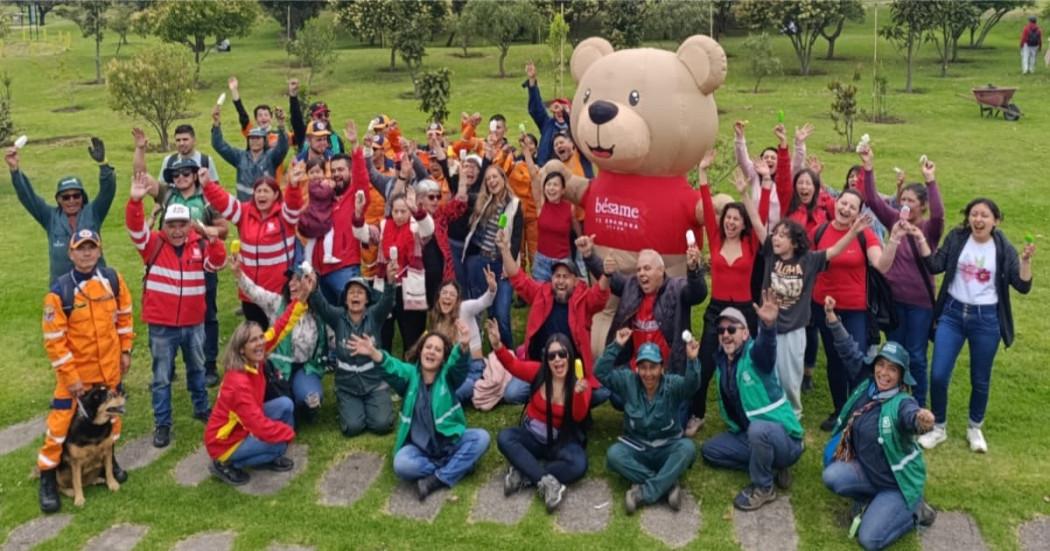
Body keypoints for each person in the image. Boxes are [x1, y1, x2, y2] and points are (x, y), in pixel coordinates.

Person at [915, 198, 1034, 452]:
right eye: (974, 214)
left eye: (985, 215)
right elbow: (935, 266)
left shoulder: (1002, 247)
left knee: (980, 378)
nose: (978, 220)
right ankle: (939, 427)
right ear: (968, 218)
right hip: (953, 314)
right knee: (938, 374)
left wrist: (1025, 261)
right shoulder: (958, 238)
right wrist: (920, 239)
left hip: (986, 319)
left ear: (995, 221)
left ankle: (974, 428)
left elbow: (1022, 286)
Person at [822, 296, 937, 550]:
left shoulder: (902, 402)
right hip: (869, 471)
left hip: (896, 484)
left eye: (892, 370)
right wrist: (832, 318)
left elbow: (911, 418)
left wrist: (921, 420)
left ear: (901, 376)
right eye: (881, 366)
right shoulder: (868, 382)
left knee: (869, 539)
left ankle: (915, 509)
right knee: (832, 475)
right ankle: (870, 499)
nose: (884, 373)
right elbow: (849, 350)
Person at [126, 175, 226, 449]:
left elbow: (217, 263)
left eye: (182, 224)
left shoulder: (199, 244)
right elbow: (135, 228)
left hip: (194, 323)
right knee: (161, 378)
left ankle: (201, 407)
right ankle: (162, 423)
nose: (178, 230)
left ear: (189, 225)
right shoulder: (153, 244)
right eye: (172, 225)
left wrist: (211, 239)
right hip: (162, 325)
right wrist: (135, 201)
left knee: (196, 369)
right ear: (165, 225)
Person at [37, 229, 133, 513]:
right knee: (58, 427)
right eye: (81, 248)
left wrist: (125, 350)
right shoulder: (59, 293)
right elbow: (55, 343)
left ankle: (108, 460)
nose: (87, 253)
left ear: (99, 251)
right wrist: (72, 378)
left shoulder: (113, 281)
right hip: (76, 377)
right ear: (70, 253)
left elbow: (125, 317)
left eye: (92, 247)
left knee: (112, 419)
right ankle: (48, 477)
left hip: (109, 372)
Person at [349, 321, 490, 501]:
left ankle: (437, 479)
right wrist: (374, 353)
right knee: (401, 463)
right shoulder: (410, 375)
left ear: (443, 358)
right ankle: (457, 466)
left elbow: (458, 365)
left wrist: (463, 345)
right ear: (420, 351)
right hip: (421, 450)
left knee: (482, 437)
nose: (431, 351)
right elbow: (393, 368)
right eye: (428, 347)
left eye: (438, 350)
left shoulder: (448, 377)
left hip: (450, 444)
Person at [700, 291, 803, 511]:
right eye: (721, 330)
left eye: (732, 329)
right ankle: (771, 466)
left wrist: (768, 326)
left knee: (758, 430)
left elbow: (767, 350)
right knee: (710, 451)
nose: (725, 334)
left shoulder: (756, 357)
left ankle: (765, 486)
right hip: (748, 435)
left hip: (784, 438)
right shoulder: (721, 362)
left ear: (746, 333)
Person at [857, 149, 944, 407]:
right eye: (902, 198)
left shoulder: (929, 228)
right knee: (893, 352)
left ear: (922, 206)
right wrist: (868, 168)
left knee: (916, 354)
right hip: (893, 302)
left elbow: (939, 215)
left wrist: (930, 180)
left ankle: (916, 405)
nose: (904, 202)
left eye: (911, 200)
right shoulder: (894, 219)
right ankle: (892, 401)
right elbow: (872, 199)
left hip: (920, 304)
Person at [141, 149, 228, 388]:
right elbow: (142, 178)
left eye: (186, 173)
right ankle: (166, 368)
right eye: (176, 174)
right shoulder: (168, 195)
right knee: (167, 314)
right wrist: (140, 149)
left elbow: (224, 229)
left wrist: (204, 231)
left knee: (206, 314)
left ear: (195, 175)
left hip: (201, 258)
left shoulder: (208, 199)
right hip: (170, 258)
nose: (181, 177)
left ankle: (208, 365)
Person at [811, 190, 897, 430]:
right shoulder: (819, 231)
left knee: (855, 361)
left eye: (852, 207)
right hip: (823, 307)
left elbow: (881, 265)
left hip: (854, 310)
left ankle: (858, 410)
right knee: (834, 361)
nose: (846, 209)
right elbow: (807, 262)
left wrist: (894, 240)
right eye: (843, 203)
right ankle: (840, 411)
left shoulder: (865, 234)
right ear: (836, 203)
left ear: (858, 213)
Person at [690, 151, 762, 436]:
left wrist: (747, 194)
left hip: (745, 310)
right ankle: (697, 414)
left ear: (744, 224)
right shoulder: (716, 238)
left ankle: (750, 416)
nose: (731, 222)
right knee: (705, 363)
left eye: (736, 219)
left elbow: (760, 214)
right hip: (717, 309)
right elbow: (707, 207)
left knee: (749, 367)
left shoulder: (752, 244)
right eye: (728, 218)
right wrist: (703, 172)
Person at [204, 292, 307, 486]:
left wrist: (300, 301)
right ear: (241, 348)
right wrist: (287, 434)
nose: (260, 343)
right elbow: (258, 426)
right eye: (254, 340)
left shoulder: (253, 356)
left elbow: (279, 329)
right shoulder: (237, 383)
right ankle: (223, 462)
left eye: (261, 338)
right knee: (278, 445)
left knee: (285, 405)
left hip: (244, 425)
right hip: (224, 442)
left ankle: (265, 452)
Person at [597, 327, 700, 515]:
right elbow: (600, 373)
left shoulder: (672, 384)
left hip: (667, 448)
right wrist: (617, 345)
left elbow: (691, 386)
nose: (648, 373)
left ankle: (644, 493)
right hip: (637, 448)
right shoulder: (628, 381)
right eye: (643, 367)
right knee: (614, 455)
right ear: (636, 368)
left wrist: (692, 360)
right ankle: (667, 485)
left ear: (662, 368)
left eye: (653, 367)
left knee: (687, 448)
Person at [491, 321, 591, 513]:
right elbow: (513, 364)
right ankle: (547, 482)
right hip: (532, 436)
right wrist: (497, 345)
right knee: (505, 437)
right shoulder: (539, 372)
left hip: (560, 442)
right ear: (547, 359)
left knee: (579, 464)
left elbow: (578, 416)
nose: (557, 360)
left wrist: (578, 395)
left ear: (570, 356)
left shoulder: (578, 384)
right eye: (552, 356)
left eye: (562, 354)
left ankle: (527, 473)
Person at [501, 232, 610, 404]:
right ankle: (550, 394)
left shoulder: (583, 300)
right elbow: (518, 279)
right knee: (512, 394)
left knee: (601, 393)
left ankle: (559, 395)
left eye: (565, 277)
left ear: (575, 281)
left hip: (572, 369)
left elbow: (600, 296)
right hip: (540, 365)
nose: (560, 281)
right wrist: (504, 250)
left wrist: (607, 274)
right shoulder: (541, 293)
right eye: (557, 276)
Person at [202, 167, 301, 330]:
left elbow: (294, 205)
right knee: (254, 338)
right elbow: (224, 201)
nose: (261, 195)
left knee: (278, 338)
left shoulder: (284, 216)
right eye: (258, 191)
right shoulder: (244, 212)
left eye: (266, 191)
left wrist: (294, 186)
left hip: (277, 292)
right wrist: (207, 184)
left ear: (276, 195)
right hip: (250, 294)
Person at [6, 138, 115, 284]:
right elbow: (28, 196)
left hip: (96, 284)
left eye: (76, 195)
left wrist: (103, 164)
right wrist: (15, 170)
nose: (71, 201)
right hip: (63, 288)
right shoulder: (50, 217)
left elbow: (108, 191)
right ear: (58, 199)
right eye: (66, 197)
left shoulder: (94, 212)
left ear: (83, 197)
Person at [306, 264, 397, 437]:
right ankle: (352, 406)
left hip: (374, 384)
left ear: (367, 300)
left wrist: (391, 282)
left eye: (360, 292)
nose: (355, 295)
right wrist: (314, 289)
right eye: (351, 292)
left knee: (382, 425)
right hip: (347, 387)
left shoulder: (375, 316)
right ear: (345, 300)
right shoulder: (337, 317)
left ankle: (375, 406)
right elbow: (322, 306)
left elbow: (386, 301)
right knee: (353, 428)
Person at [232, 258, 327, 422]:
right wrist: (239, 274)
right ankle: (288, 404)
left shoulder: (318, 309)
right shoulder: (277, 303)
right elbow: (254, 292)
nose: (292, 284)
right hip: (279, 368)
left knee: (311, 398)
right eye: (290, 279)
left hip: (305, 367)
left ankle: (303, 404)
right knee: (283, 406)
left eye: (297, 279)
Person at [603, 245, 707, 380]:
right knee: (615, 394)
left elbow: (698, 293)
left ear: (661, 270)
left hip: (669, 373)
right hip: (637, 370)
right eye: (638, 269)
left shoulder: (676, 288)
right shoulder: (632, 286)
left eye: (647, 268)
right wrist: (589, 256)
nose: (641, 273)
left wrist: (694, 272)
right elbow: (615, 281)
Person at [355, 190, 435, 356]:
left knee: (413, 338)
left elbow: (429, 230)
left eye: (403, 211)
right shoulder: (383, 226)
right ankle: (385, 371)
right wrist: (358, 214)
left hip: (411, 290)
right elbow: (364, 234)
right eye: (395, 211)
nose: (399, 215)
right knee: (384, 335)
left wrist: (417, 211)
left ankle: (414, 373)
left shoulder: (416, 226)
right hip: (386, 288)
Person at [463, 165, 523, 348]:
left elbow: (517, 237)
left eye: (495, 177)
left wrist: (508, 264)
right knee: (483, 313)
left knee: (502, 315)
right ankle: (485, 355)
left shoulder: (514, 204)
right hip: (480, 262)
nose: (492, 181)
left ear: (503, 179)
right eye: (488, 179)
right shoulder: (483, 202)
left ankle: (509, 358)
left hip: (501, 264)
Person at [313, 124, 372, 305]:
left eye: (341, 170)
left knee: (352, 316)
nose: (337, 174)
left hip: (345, 268)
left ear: (350, 172)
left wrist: (355, 146)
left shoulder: (356, 195)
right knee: (329, 322)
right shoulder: (325, 196)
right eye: (334, 170)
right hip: (320, 271)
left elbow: (362, 177)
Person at [425, 275, 494, 403]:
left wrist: (491, 289)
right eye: (444, 293)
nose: (447, 296)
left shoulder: (464, 309)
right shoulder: (437, 321)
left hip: (473, 367)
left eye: (452, 294)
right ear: (439, 297)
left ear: (457, 300)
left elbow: (483, 302)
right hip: (452, 369)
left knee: (452, 395)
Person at [523, 61, 592, 178]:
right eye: (556, 108)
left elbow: (575, 128)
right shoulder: (548, 124)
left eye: (563, 108)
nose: (559, 111)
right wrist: (532, 82)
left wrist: (565, 113)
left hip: (577, 175)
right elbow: (536, 109)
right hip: (549, 176)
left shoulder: (575, 128)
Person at [734, 120, 809, 227]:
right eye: (766, 157)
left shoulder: (786, 177)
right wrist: (739, 138)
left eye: (773, 158)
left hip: (779, 232)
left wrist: (799, 144)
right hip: (756, 229)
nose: (769, 160)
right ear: (760, 161)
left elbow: (797, 163)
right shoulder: (755, 176)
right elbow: (742, 159)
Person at [211, 103, 289, 202]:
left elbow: (283, 147)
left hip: (267, 209)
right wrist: (216, 123)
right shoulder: (239, 157)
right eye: (252, 138)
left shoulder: (271, 157)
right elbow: (219, 145)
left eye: (258, 138)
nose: (254, 140)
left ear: (264, 140)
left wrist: (281, 125)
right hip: (245, 210)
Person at [416, 178, 468, 307]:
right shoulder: (410, 219)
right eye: (431, 197)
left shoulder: (440, 216)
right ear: (420, 199)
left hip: (442, 276)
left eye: (438, 197)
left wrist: (462, 182)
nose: (435, 201)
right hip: (418, 278)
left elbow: (459, 205)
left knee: (442, 316)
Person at [531, 171, 576, 282]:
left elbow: (578, 233)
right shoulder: (541, 205)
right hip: (541, 261)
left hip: (563, 262)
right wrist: (526, 153)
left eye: (555, 185)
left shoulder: (570, 208)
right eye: (548, 184)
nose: (551, 188)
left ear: (563, 190)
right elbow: (533, 177)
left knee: (561, 298)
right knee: (540, 296)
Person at [298, 157, 341, 265]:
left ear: (323, 172)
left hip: (317, 217)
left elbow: (330, 198)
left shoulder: (322, 184)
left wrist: (335, 197)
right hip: (318, 217)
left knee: (312, 240)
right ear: (307, 174)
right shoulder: (313, 186)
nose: (315, 175)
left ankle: (308, 261)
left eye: (318, 172)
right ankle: (327, 255)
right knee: (329, 232)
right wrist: (331, 187)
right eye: (312, 172)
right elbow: (323, 194)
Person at [155, 124, 220, 184]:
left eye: (185, 139)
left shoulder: (206, 161)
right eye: (178, 140)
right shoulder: (169, 161)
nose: (181, 143)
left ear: (194, 140)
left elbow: (216, 188)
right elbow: (162, 187)